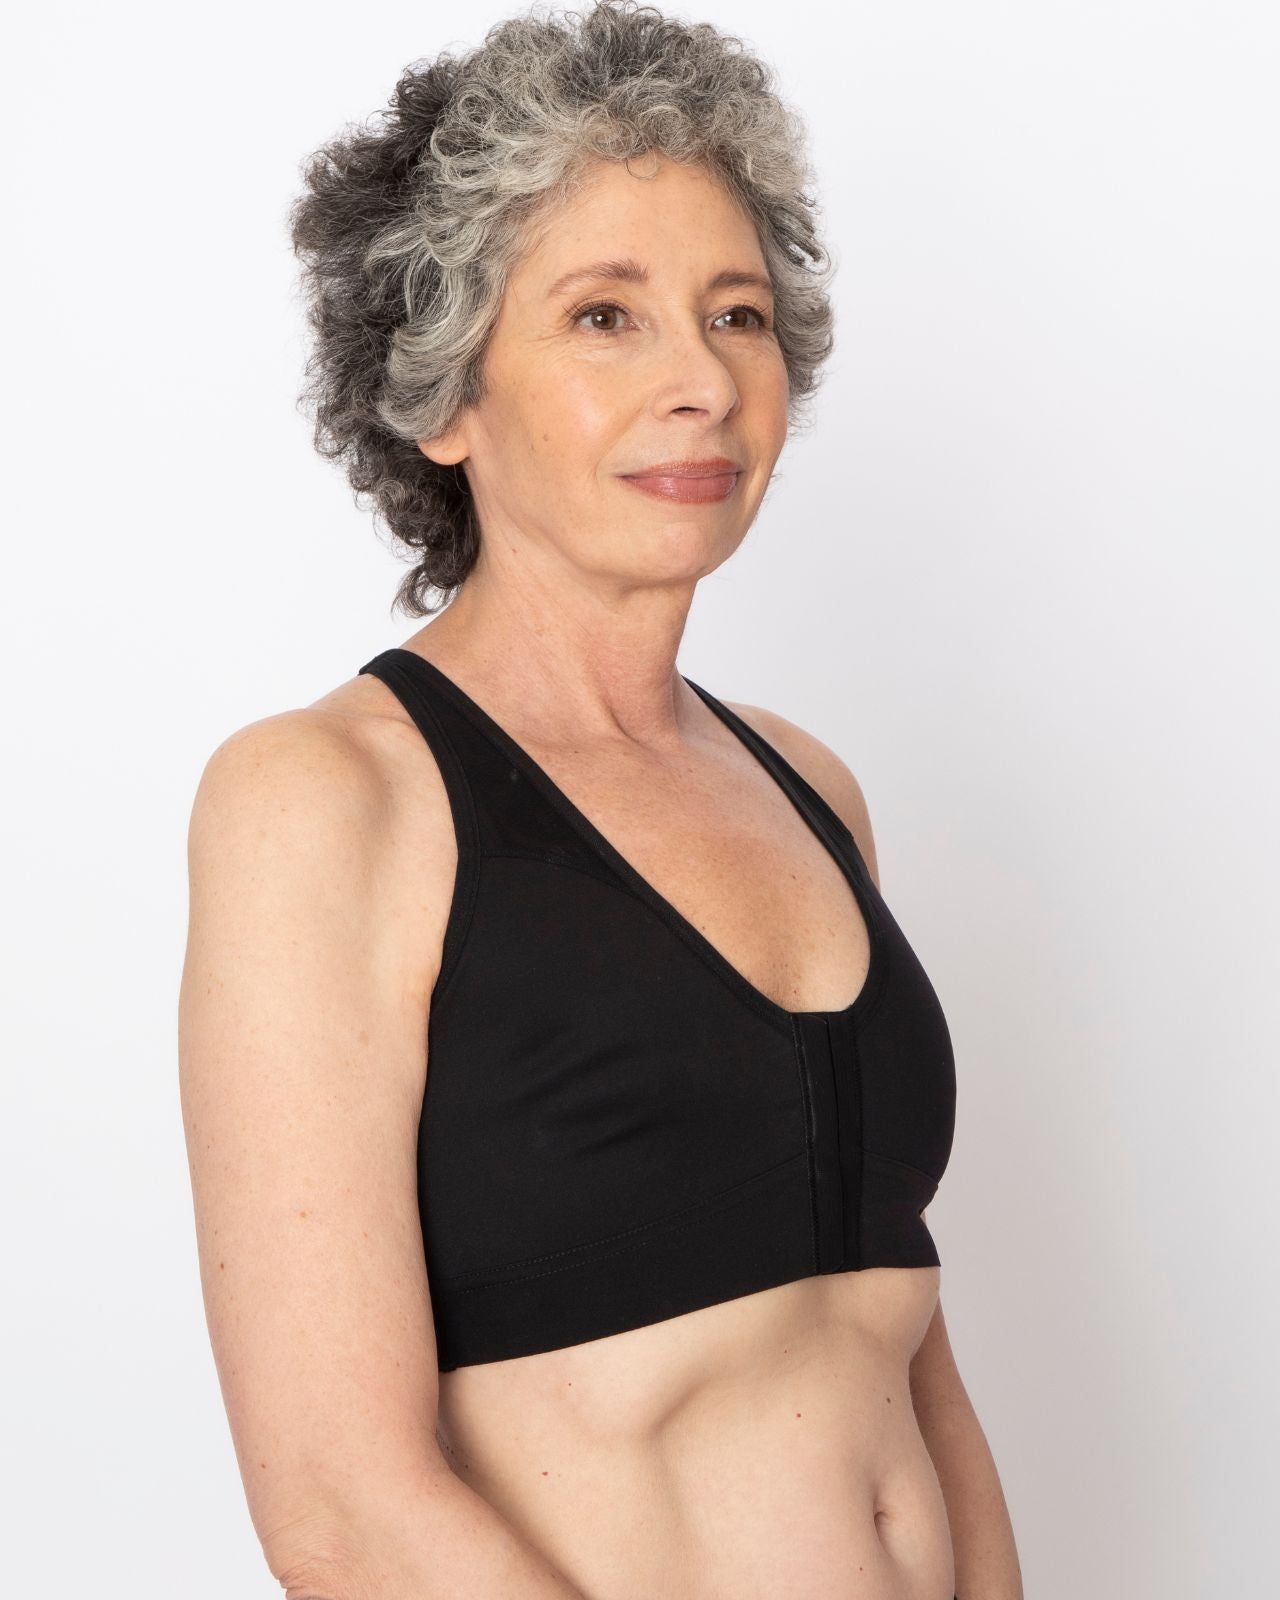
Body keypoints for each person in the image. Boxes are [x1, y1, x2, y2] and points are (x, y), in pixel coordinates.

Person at [178, 4, 1023, 1597]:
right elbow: (342, 1510)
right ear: (445, 394)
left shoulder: (810, 791)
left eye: (737, 314)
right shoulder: (330, 801)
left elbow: (908, 1366)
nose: (701, 380)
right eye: (603, 317)